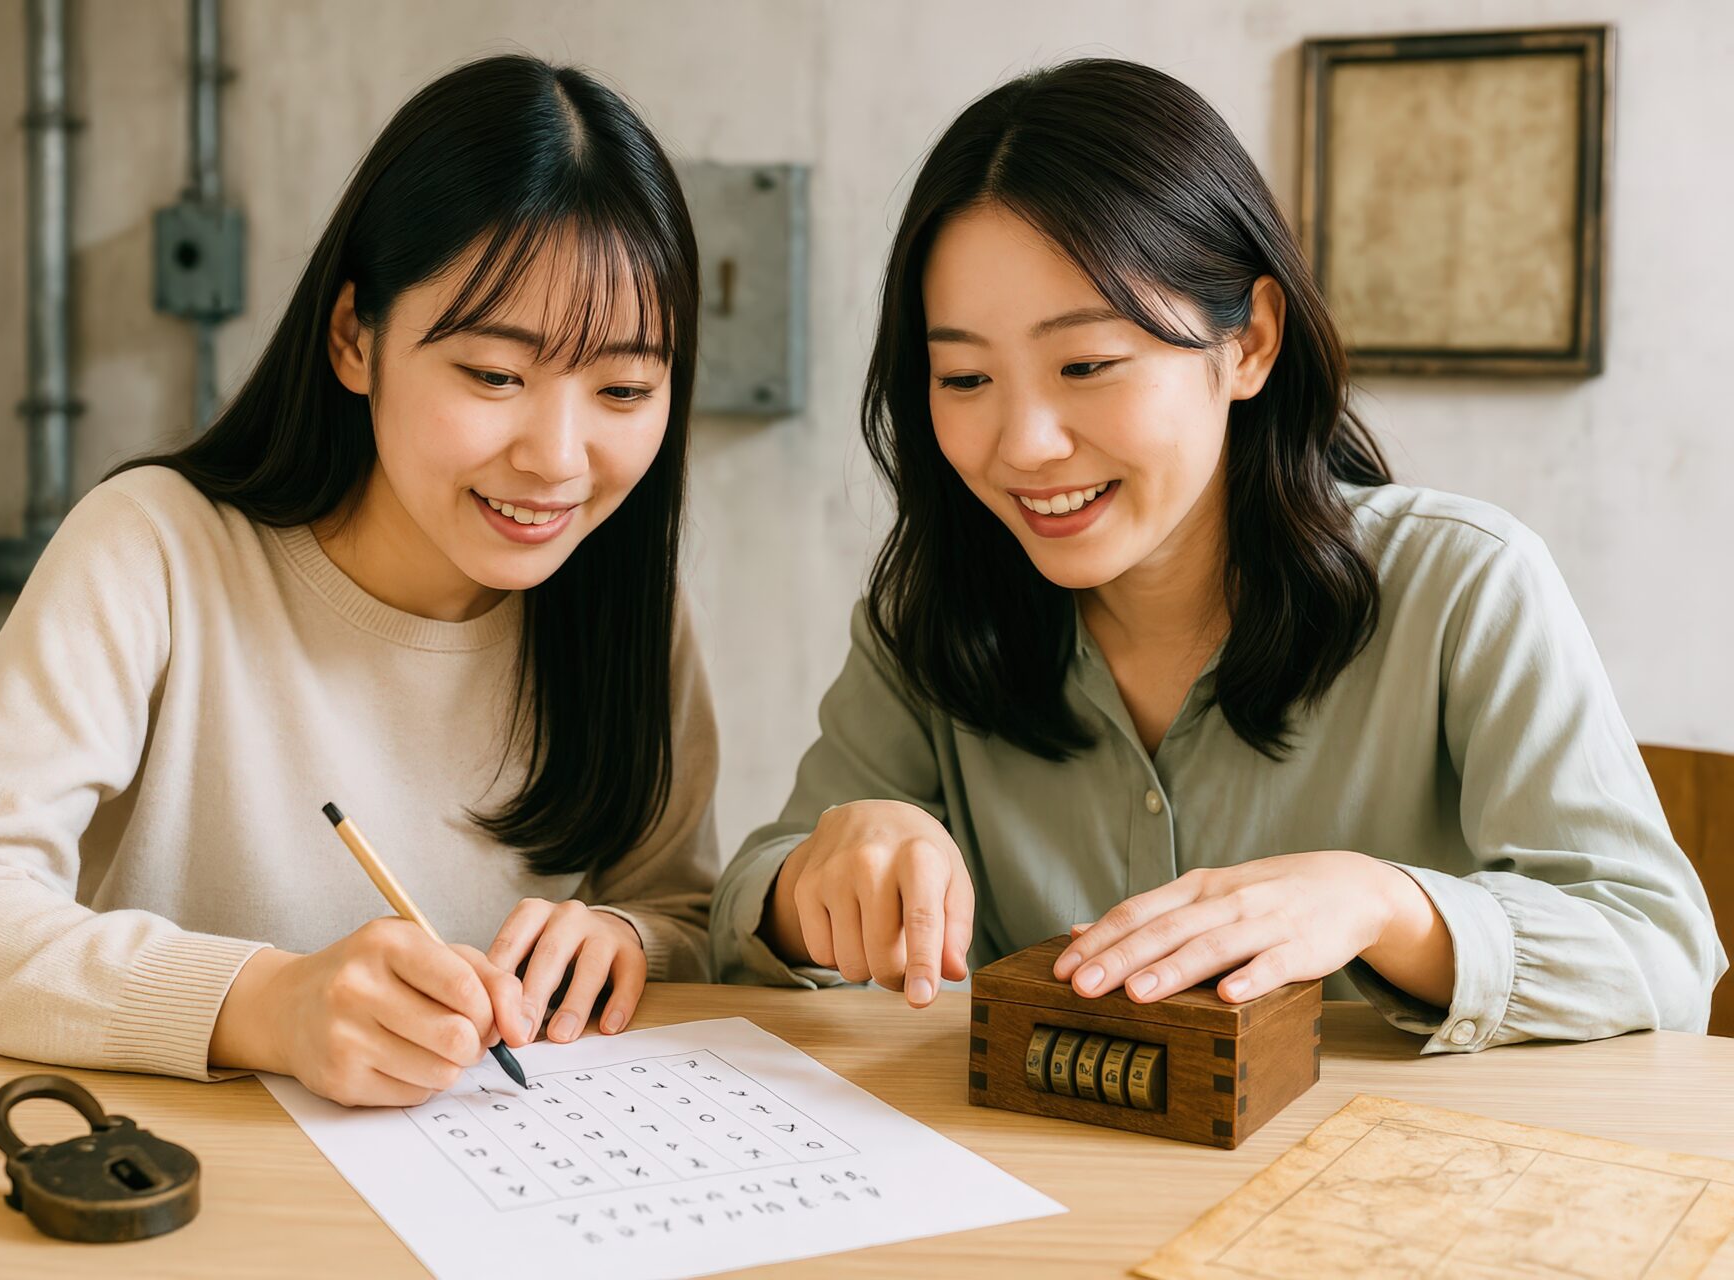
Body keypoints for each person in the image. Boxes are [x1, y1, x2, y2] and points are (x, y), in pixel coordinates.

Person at [713, 58, 1723, 1051]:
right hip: (1045, 1197)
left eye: (1087, 364)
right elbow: (750, 915)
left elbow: (1662, 953)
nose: (1022, 442)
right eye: (966, 377)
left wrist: (1384, 903)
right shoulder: (932, 614)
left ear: (1249, 343)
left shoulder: (1462, 583)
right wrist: (820, 877)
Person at [0, 55, 718, 1105]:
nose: (558, 456)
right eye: (495, 374)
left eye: (624, 386)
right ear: (355, 337)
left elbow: (686, 916)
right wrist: (267, 1003)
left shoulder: (620, 600)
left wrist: (624, 936)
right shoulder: (157, 551)